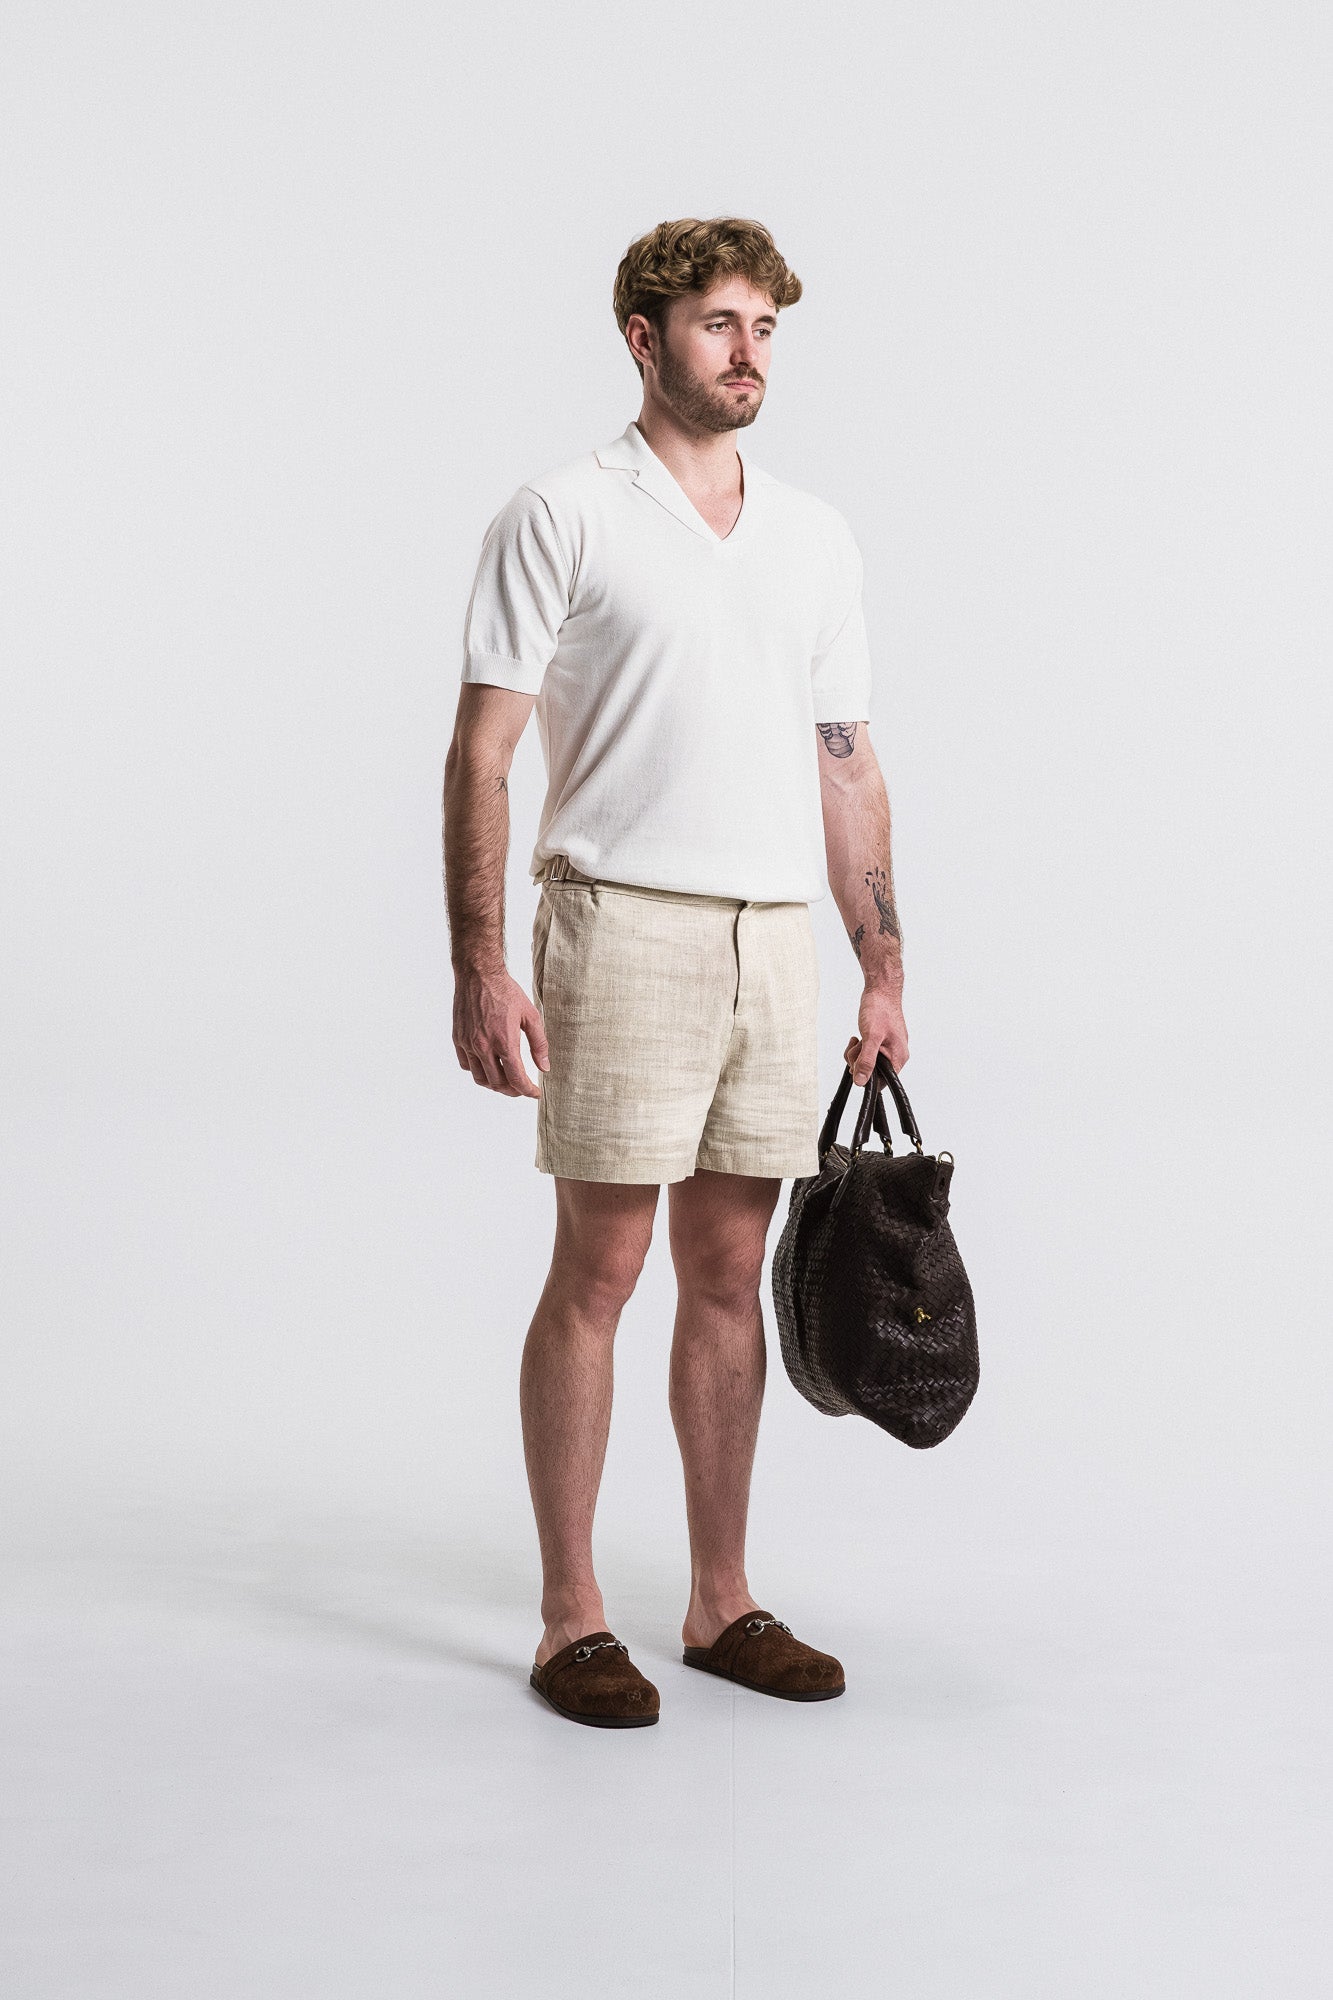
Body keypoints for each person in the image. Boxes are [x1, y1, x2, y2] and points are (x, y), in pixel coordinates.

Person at [442, 216, 908, 1728]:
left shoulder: (814, 536)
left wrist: (881, 963)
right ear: (643, 339)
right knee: (601, 1268)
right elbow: (483, 750)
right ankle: (570, 1618)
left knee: (727, 1271)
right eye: (719, 323)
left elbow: (845, 760)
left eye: (765, 326)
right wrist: (480, 963)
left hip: (771, 937)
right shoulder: (562, 513)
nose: (748, 352)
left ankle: (721, 1602)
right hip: (619, 921)